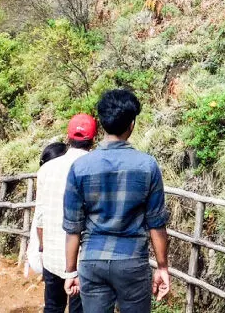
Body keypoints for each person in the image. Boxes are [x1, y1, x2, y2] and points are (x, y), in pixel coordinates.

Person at [63, 89, 170, 312]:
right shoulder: (147, 166)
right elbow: (156, 224)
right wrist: (162, 267)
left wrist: (71, 271)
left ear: (101, 124)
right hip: (131, 260)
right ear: (131, 124)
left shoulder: (80, 167)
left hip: (92, 260)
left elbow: (73, 227)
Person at [36, 117, 97, 313]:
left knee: (53, 307)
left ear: (68, 137)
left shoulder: (47, 169)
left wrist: (42, 248)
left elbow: (40, 217)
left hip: (52, 254)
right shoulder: (94, 168)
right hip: (82, 258)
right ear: (94, 139)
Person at [27, 142, 68, 276]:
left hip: (49, 253)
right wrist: (42, 247)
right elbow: (41, 219)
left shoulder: (45, 179)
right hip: (55, 253)